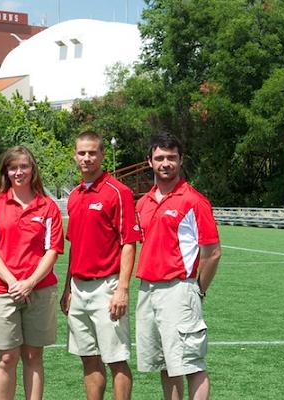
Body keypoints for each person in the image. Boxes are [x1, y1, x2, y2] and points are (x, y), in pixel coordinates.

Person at [135, 132, 222, 400]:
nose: (165, 163)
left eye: (171, 157)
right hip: (147, 290)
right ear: (149, 161)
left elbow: (213, 252)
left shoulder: (194, 201)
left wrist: (198, 291)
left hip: (179, 289)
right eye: (159, 157)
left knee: (191, 364)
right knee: (166, 364)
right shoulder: (143, 202)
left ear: (181, 160)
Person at [0, 145, 64, 400]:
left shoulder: (47, 207)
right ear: (6, 171)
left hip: (39, 289)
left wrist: (30, 282)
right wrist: (14, 281)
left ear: (32, 169)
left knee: (33, 355)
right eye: (13, 167)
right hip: (0, 290)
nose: (19, 172)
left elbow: (52, 250)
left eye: (24, 166)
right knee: (7, 357)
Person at [60, 131, 140, 400]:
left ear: (102, 155)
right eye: (82, 153)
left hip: (107, 287)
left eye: (92, 152)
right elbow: (74, 245)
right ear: (75, 155)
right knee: (89, 359)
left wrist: (123, 289)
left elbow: (129, 243)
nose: (86, 158)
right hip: (78, 288)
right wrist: (67, 288)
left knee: (116, 359)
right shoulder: (74, 195)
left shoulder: (118, 192)